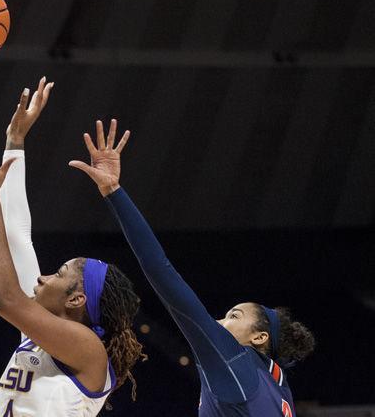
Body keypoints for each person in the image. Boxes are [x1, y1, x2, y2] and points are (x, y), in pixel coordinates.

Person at [69, 119, 316, 417]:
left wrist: (113, 191)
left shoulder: (233, 359)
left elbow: (160, 270)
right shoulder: (279, 388)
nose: (218, 322)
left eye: (233, 316)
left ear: (259, 338)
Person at [0, 79, 145, 416]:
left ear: (76, 299)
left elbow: (4, 297)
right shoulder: (38, 336)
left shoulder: (89, 350)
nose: (42, 278)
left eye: (59, 274)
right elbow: (18, 236)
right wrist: (14, 142)